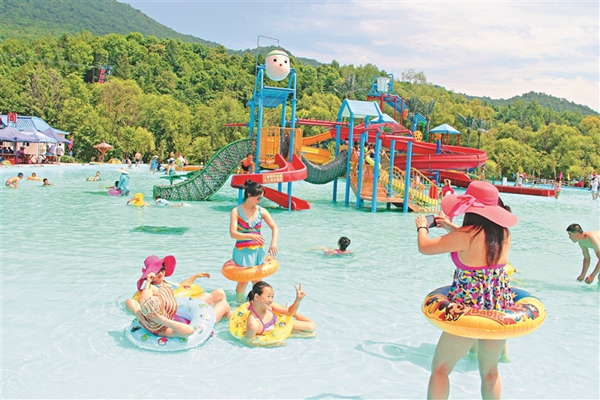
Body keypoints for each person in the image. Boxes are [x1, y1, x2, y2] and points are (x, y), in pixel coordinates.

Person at [415, 181, 518, 399]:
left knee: (440, 369)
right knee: (490, 372)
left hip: (468, 311)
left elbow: (425, 247)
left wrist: (422, 227)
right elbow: (480, 241)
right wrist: (451, 227)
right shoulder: (504, 233)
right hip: (497, 310)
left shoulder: (464, 236)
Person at [125, 255, 231, 338]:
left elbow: (182, 286)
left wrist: (195, 276)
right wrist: (148, 282)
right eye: (157, 271)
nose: (161, 273)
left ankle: (224, 316)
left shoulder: (167, 282)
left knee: (219, 292)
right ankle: (220, 318)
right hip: (176, 310)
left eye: (162, 269)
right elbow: (144, 301)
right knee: (214, 300)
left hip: (183, 306)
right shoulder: (152, 287)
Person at [229, 180, 279, 303]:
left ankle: (256, 305)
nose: (260, 201)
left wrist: (273, 243)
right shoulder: (236, 211)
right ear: (249, 195)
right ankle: (239, 304)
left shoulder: (262, 211)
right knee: (243, 282)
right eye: (258, 198)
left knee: (257, 282)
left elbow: (274, 227)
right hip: (242, 252)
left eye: (261, 198)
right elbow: (233, 233)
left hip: (258, 252)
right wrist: (251, 236)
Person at [242, 281, 316, 347]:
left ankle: (293, 315)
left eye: (272, 296)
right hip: (269, 332)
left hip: (279, 324)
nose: (271, 300)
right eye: (268, 296)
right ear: (256, 297)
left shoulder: (270, 306)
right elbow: (247, 343)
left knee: (311, 327)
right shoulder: (253, 324)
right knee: (310, 334)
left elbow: (290, 311)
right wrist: (271, 344)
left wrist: (298, 300)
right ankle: (291, 333)